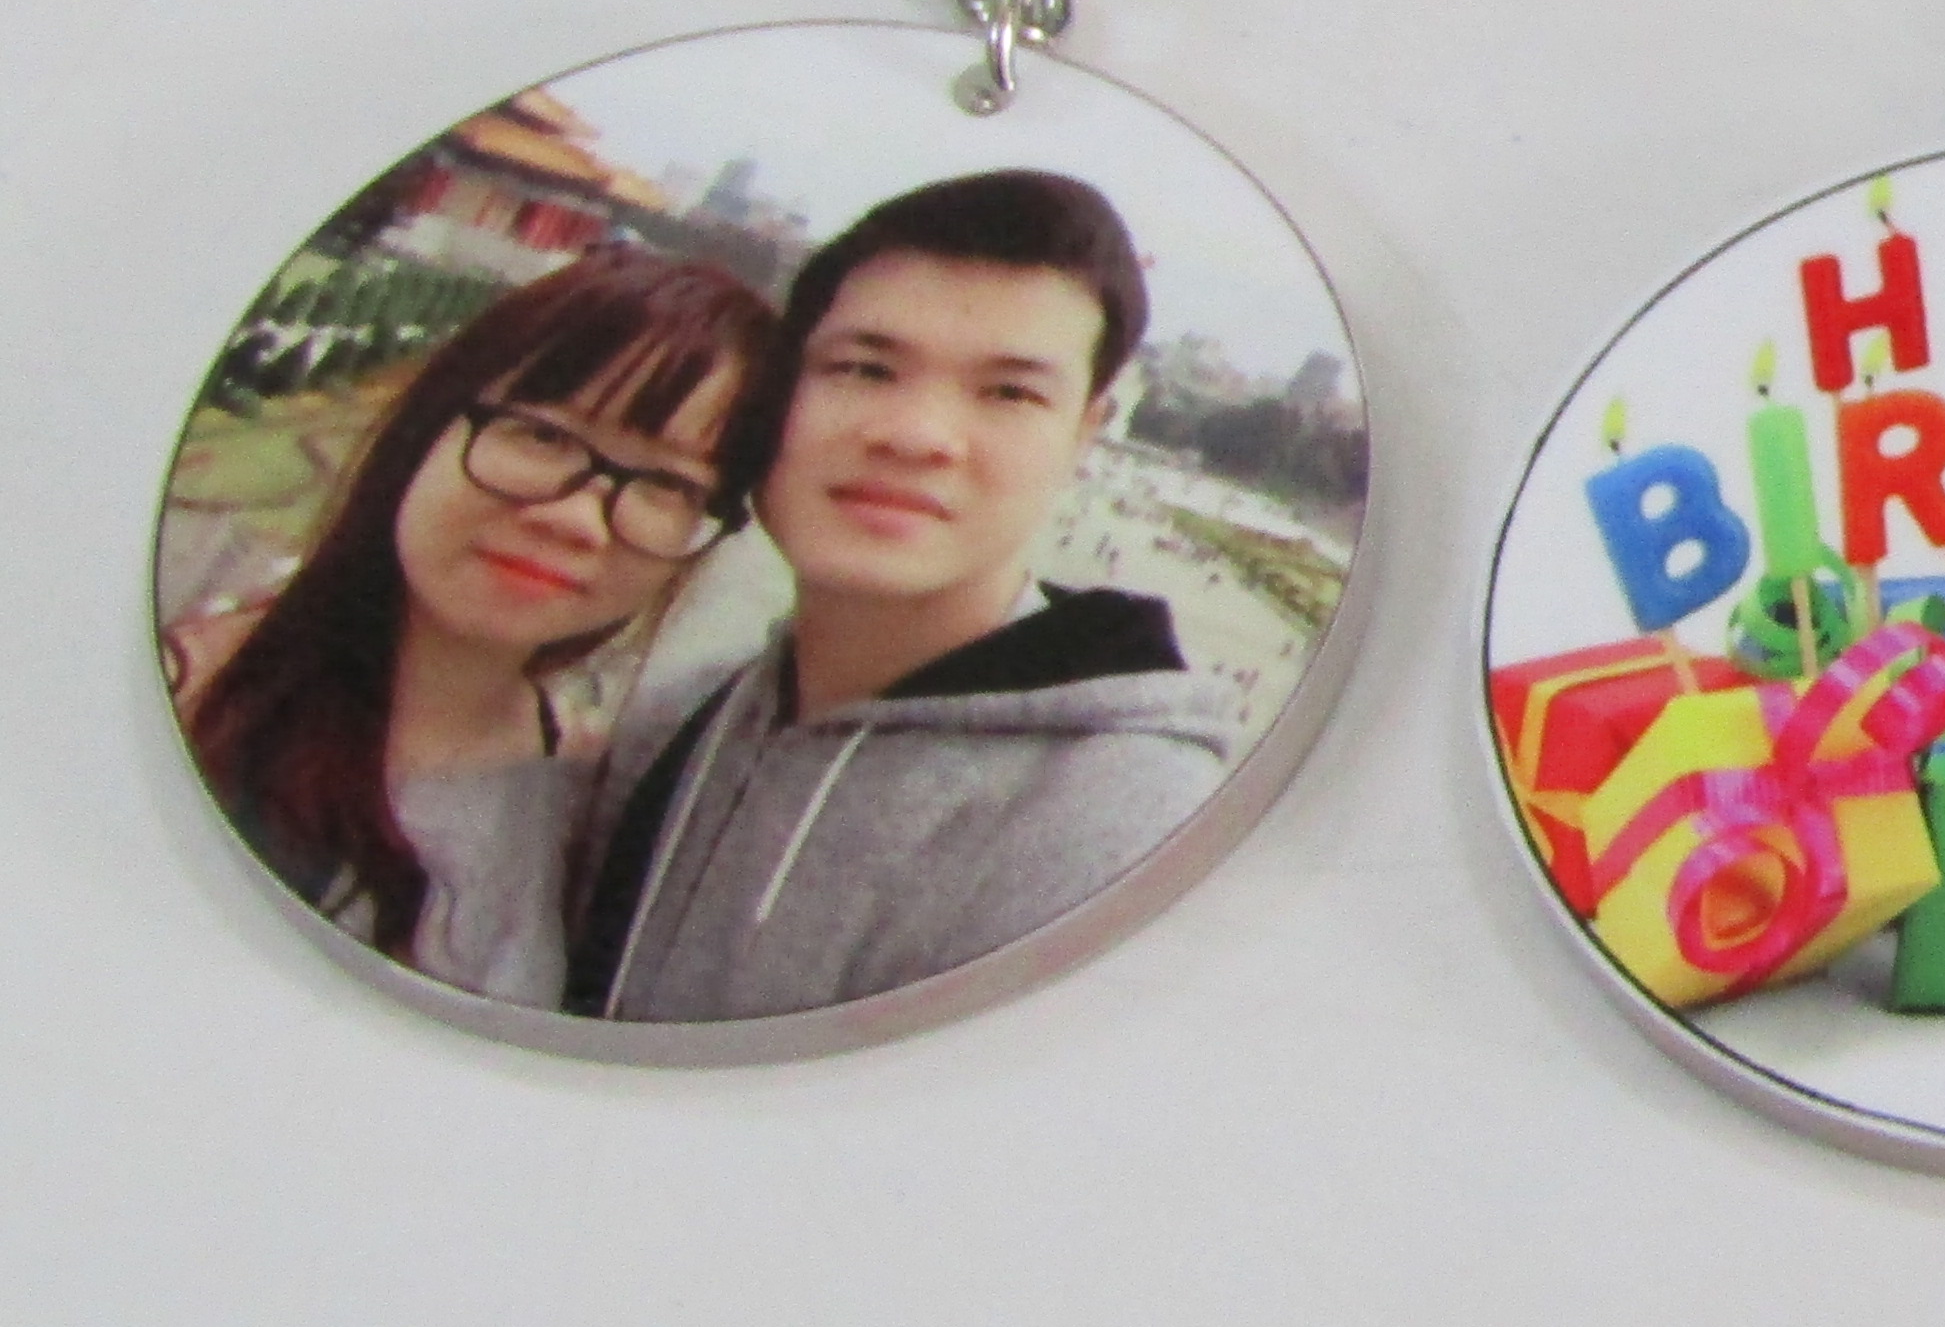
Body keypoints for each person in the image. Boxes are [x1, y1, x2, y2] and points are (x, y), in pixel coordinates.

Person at [571, 169, 1238, 1020]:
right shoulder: (677, 718)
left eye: (1009, 392)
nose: (917, 436)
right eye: (864, 368)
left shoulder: (1125, 832)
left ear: (1085, 434)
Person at [172, 252, 774, 1007]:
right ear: (429, 425)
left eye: (666, 484)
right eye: (544, 436)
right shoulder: (182, 698)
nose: (577, 518)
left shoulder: (580, 804)